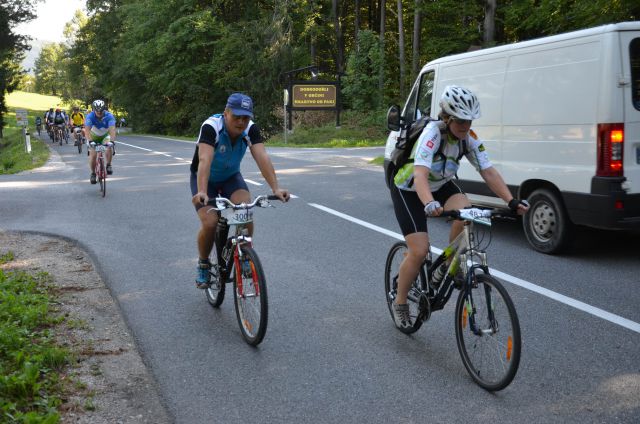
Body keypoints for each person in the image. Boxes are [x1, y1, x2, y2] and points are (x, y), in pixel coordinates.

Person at [389, 85, 529, 329]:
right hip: (410, 189)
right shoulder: (432, 134)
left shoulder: (470, 139)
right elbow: (420, 174)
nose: (466, 126)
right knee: (419, 250)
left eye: (470, 121)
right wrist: (429, 203)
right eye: (461, 121)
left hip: (441, 185)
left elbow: (488, 171)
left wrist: (511, 200)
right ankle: (400, 303)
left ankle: (444, 265)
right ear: (447, 118)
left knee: (466, 213)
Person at [190, 93, 290, 289]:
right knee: (210, 222)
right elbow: (204, 160)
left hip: (230, 178)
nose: (241, 122)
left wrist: (275, 188)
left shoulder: (250, 129)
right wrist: (202, 191)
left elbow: (262, 156)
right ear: (226, 113)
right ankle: (203, 263)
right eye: (237, 116)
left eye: (246, 117)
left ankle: (244, 254)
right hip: (205, 179)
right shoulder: (211, 127)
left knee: (244, 211)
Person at [84, 99, 116, 184]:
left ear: (104, 109)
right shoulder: (90, 116)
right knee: (93, 155)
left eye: (101, 111)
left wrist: (112, 141)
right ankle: (93, 173)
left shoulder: (109, 116)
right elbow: (87, 131)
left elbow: (112, 130)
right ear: (93, 110)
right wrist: (90, 141)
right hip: (93, 136)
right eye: (97, 111)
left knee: (109, 147)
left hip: (105, 136)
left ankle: (108, 165)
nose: (99, 113)